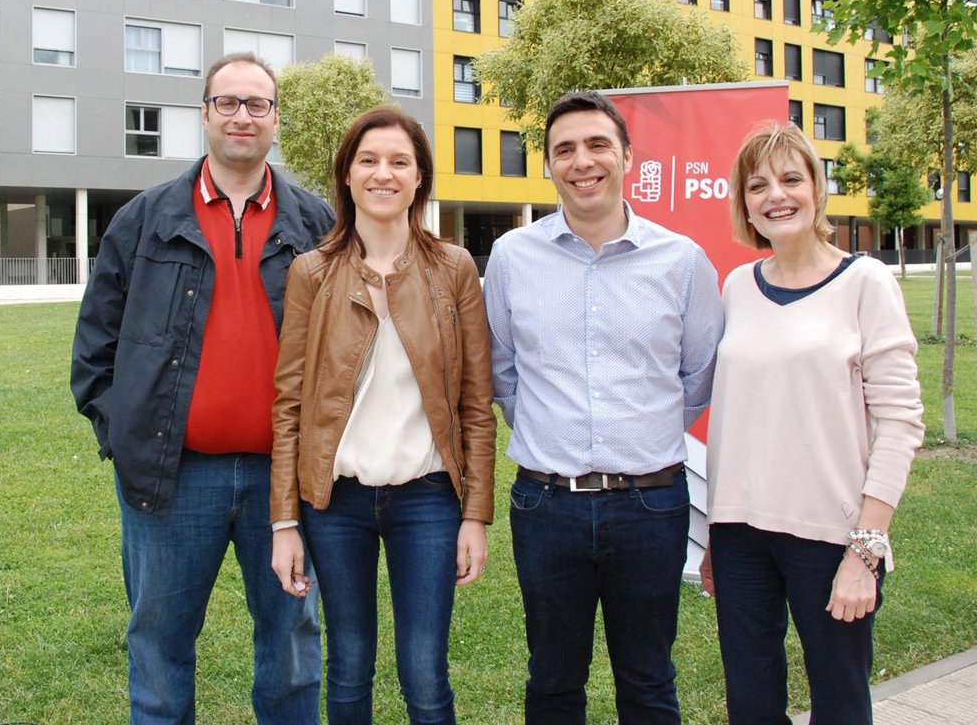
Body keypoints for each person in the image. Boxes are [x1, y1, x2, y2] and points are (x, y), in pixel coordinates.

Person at [71, 53, 331, 725]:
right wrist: (124, 434)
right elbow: (95, 348)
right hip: (171, 478)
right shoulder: (143, 219)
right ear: (205, 113)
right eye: (228, 102)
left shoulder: (317, 225)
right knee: (158, 649)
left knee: (294, 649)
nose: (242, 115)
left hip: (289, 483)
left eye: (257, 104)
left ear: (275, 118)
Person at [483, 91, 724, 725]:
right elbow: (502, 372)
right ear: (548, 165)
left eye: (597, 145)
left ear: (626, 157)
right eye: (565, 149)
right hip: (546, 505)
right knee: (553, 682)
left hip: (651, 505)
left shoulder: (681, 261)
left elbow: (698, 377)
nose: (582, 161)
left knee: (648, 682)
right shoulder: (511, 258)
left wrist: (639, 435)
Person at [269, 106, 496, 725]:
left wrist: (475, 514)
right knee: (347, 669)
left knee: (425, 674)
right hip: (335, 505)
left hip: (427, 500)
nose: (383, 173)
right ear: (346, 175)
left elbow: (477, 404)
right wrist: (284, 522)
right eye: (368, 160)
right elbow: (288, 405)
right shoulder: (311, 273)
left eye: (400, 161)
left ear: (420, 177)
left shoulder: (455, 269)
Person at [701, 122, 924, 724]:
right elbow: (736, 416)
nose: (776, 195)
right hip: (741, 535)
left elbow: (901, 423)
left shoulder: (866, 282)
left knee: (841, 704)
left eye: (791, 178)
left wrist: (866, 551)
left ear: (817, 189)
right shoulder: (737, 287)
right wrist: (717, 537)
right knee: (750, 704)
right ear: (744, 203)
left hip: (833, 538)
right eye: (758, 185)